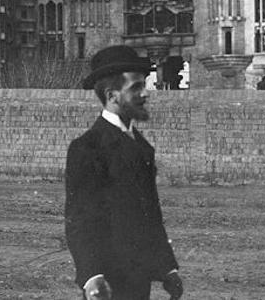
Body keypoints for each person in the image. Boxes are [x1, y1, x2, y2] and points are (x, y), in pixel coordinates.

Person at [65, 45, 184, 300]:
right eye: (136, 88)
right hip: (106, 285)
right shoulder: (88, 148)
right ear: (113, 95)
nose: (145, 94)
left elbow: (150, 216)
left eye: (144, 86)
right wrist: (91, 276)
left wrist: (167, 268)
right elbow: (80, 219)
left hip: (138, 278)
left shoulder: (141, 147)